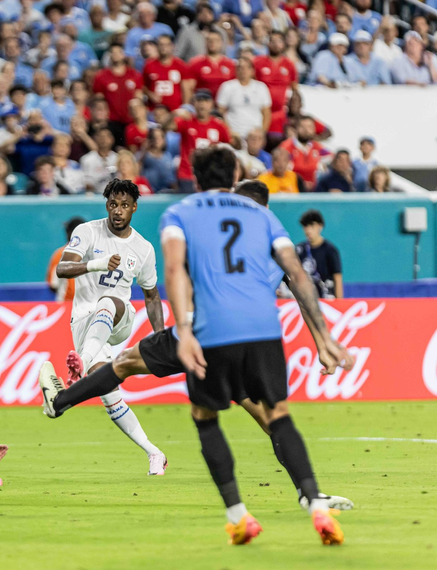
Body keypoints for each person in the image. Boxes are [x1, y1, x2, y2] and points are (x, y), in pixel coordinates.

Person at [38, 177, 355, 518]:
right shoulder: (271, 243)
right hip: (251, 341)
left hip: (204, 332)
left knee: (127, 367)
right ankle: (307, 494)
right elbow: (302, 286)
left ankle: (60, 401)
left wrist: (174, 331)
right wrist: (323, 342)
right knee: (271, 418)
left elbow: (177, 275)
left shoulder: (205, 227)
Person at [45, 179, 168, 474]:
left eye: (124, 205)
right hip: (85, 325)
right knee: (109, 394)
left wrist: (161, 336)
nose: (118, 211)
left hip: (119, 318)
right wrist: (97, 263)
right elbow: (63, 269)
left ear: (134, 208)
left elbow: (151, 296)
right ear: (106, 205)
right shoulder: (86, 232)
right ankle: (154, 452)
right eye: (113, 204)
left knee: (109, 301)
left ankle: (79, 366)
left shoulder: (143, 249)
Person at [169, 89, 231, 193]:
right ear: (194, 103)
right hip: (187, 174)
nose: (202, 104)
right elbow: (166, 126)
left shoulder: (219, 125)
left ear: (211, 103)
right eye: (199, 100)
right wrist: (174, 114)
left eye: (205, 101)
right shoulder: (186, 121)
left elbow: (230, 143)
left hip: (210, 175)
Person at [215, 58, 271, 139]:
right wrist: (229, 132)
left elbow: (267, 114)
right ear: (236, 70)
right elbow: (220, 113)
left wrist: (261, 133)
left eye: (247, 68)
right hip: (234, 134)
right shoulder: (227, 87)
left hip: (254, 135)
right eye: (240, 67)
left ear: (252, 71)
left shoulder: (261, 87)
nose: (243, 70)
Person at [297, 209, 343, 299]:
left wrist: (340, 303)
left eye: (312, 226)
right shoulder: (299, 250)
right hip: (307, 301)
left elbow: (337, 278)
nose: (308, 230)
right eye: (305, 226)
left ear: (320, 226)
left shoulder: (330, 250)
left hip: (327, 299)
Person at [278, 116, 330, 190]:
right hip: (292, 189)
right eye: (303, 127)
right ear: (296, 128)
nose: (306, 130)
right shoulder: (286, 147)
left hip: (315, 190)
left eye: (309, 127)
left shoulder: (318, 147)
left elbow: (332, 160)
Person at [143, 34, 189, 112]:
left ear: (172, 46)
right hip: (154, 111)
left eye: (167, 45)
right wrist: (150, 94)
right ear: (157, 47)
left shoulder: (180, 65)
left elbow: (186, 88)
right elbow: (142, 85)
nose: (163, 47)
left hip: (175, 110)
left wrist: (185, 107)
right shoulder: (149, 65)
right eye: (161, 44)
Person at [47, 216, 85, 302]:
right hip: (89, 307)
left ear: (69, 233)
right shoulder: (95, 253)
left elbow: (53, 285)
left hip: (66, 305)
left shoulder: (60, 254)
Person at [80, 127, 119, 194]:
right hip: (94, 195)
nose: (103, 139)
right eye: (100, 136)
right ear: (95, 139)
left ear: (112, 139)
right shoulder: (86, 159)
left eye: (107, 136)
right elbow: (83, 181)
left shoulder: (118, 158)